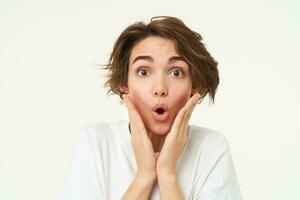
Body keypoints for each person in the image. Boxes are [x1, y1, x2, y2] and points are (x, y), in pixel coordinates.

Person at [59, 16, 243, 200]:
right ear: (125, 83)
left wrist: (167, 173)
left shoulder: (211, 147)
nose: (160, 89)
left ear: (194, 85)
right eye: (143, 72)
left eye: (176, 72)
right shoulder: (95, 142)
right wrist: (144, 176)